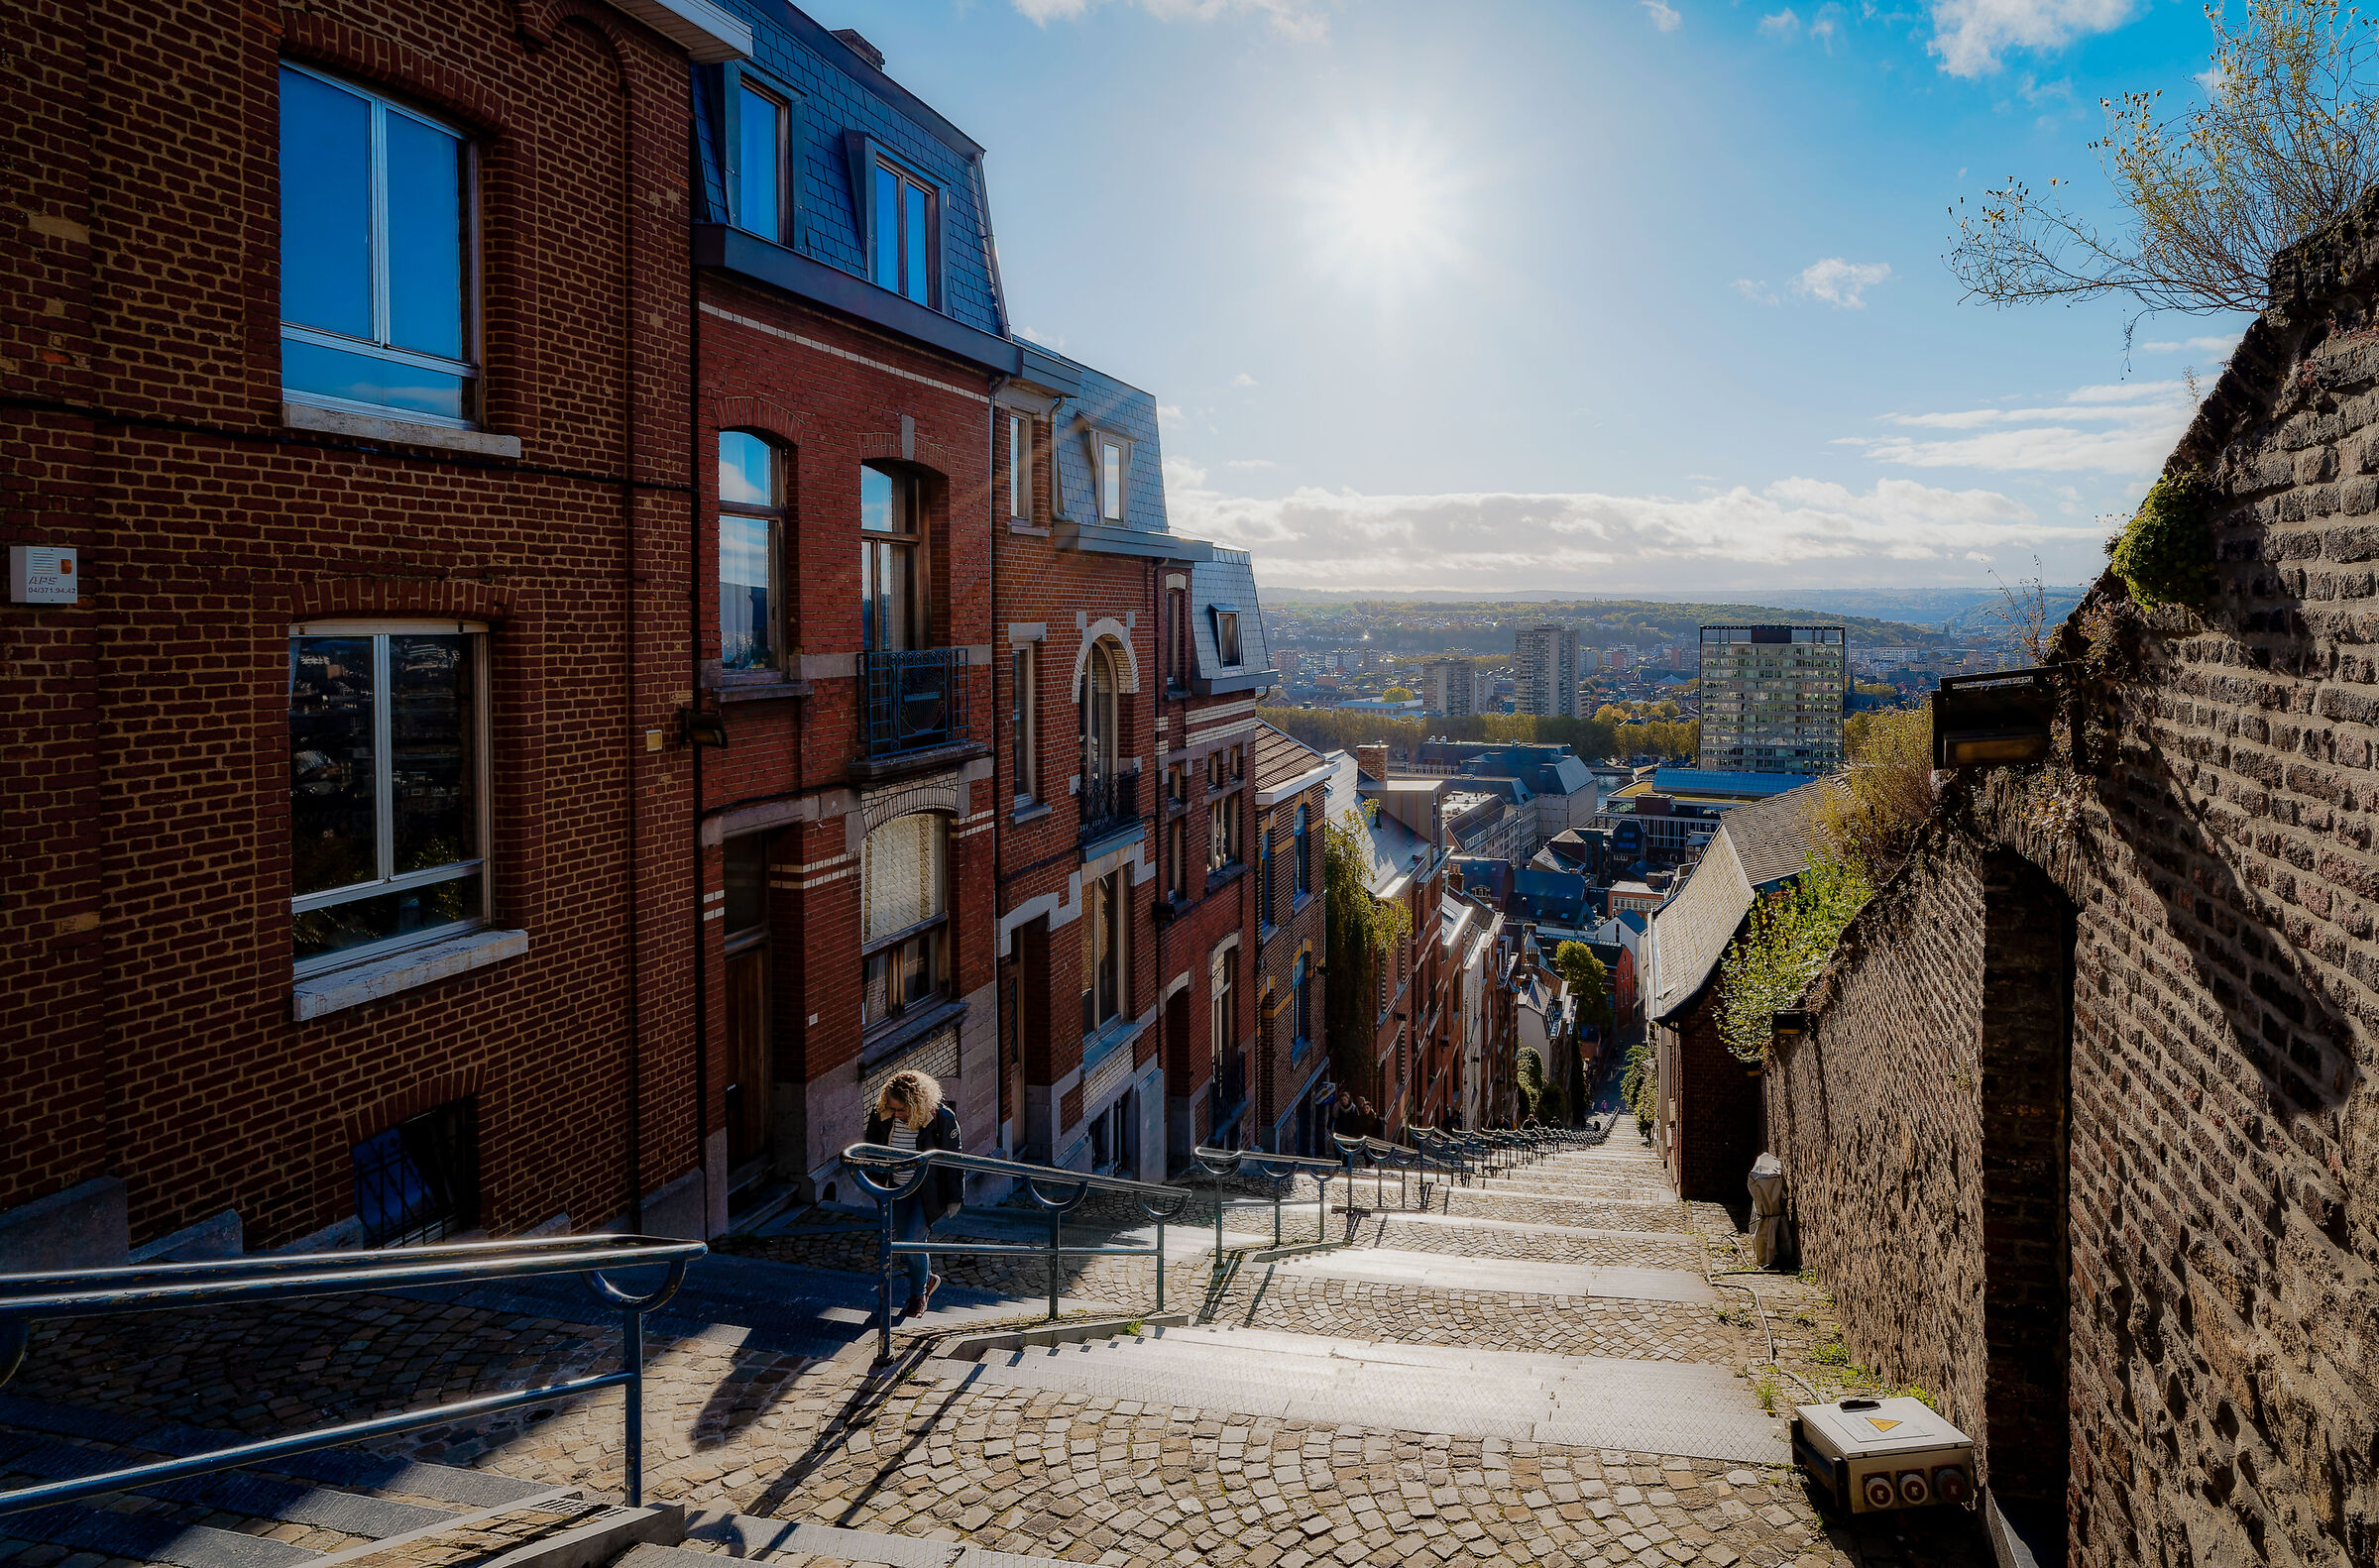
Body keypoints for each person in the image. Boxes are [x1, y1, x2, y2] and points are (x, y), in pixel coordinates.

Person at [863, 1069, 962, 1318]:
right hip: (894, 1189)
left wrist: (954, 1198)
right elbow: (872, 1150)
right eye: (893, 1109)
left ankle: (918, 1296)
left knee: (911, 1242)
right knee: (902, 1243)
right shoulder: (882, 1115)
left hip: (925, 1193)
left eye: (902, 1110)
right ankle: (927, 1280)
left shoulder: (941, 1119)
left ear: (917, 1104)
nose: (897, 1115)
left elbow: (953, 1161)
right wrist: (874, 1185)